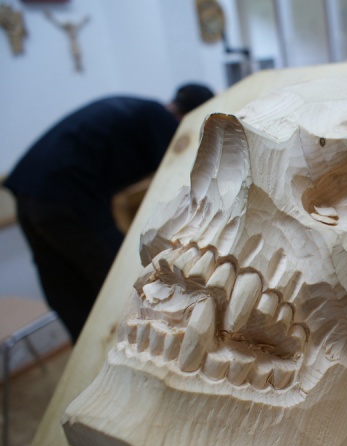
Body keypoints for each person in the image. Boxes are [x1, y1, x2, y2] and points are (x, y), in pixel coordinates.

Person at [3, 83, 214, 341]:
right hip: (66, 195)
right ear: (192, 115)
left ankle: (86, 352)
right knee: (117, 279)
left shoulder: (136, 110)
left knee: (65, 286)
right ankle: (126, 347)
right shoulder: (161, 119)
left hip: (28, 193)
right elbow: (184, 178)